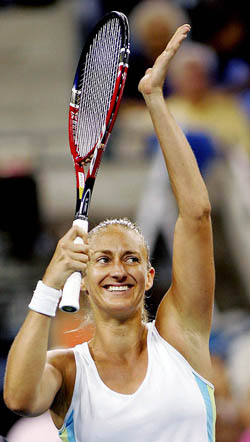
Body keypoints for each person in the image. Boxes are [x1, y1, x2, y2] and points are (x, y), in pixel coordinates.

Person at [4, 25, 216, 441]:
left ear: (150, 275)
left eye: (131, 258)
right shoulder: (67, 368)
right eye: (102, 259)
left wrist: (155, 100)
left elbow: (196, 214)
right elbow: (20, 398)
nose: (118, 270)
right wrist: (50, 281)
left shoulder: (181, 337)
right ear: (82, 282)